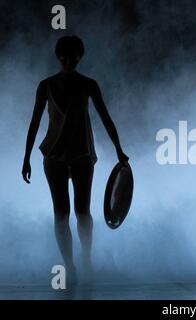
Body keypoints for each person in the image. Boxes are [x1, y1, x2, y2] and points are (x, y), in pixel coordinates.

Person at [22, 35, 129, 284]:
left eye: (73, 57)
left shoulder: (88, 85)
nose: (68, 61)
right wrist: (26, 157)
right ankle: (69, 265)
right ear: (58, 57)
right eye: (64, 57)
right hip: (54, 154)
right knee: (61, 212)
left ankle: (86, 258)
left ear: (79, 57)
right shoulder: (46, 85)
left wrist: (118, 149)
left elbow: (105, 117)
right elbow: (35, 122)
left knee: (82, 211)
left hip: (81, 153)